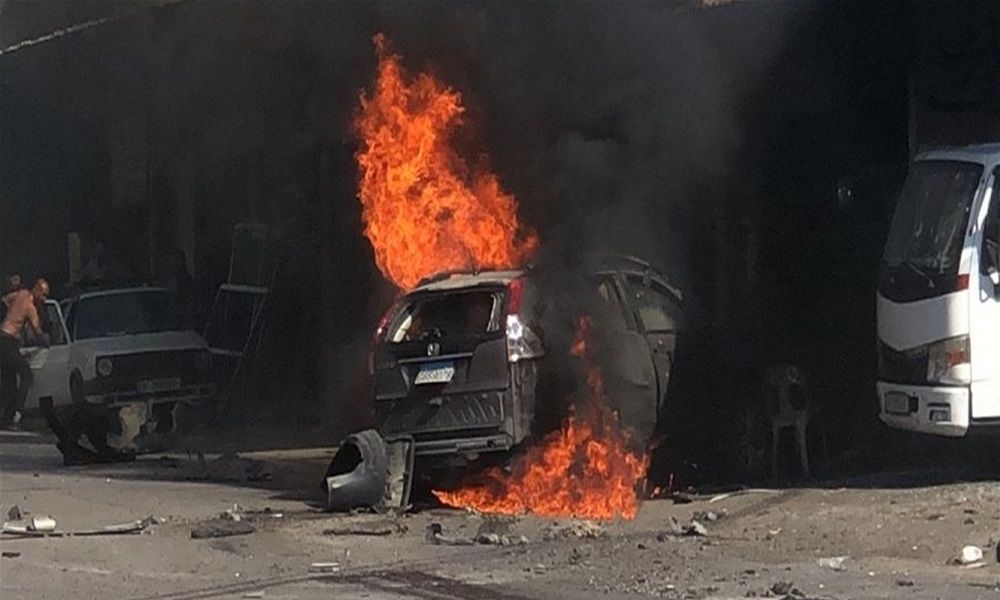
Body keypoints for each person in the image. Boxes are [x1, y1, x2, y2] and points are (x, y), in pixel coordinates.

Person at [0, 278, 49, 428]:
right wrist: (46, 341)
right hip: (9, 341)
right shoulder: (31, 308)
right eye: (44, 295)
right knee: (27, 375)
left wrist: (10, 314)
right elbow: (37, 331)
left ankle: (6, 418)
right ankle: (18, 412)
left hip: (2, 338)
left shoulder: (20, 293)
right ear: (37, 291)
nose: (44, 299)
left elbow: (4, 300)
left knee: (9, 379)